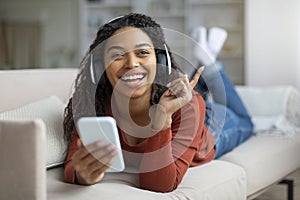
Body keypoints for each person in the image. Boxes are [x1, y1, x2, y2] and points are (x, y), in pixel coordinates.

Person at [63, 13, 252, 193]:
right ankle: (204, 62)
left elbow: (159, 185)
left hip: (208, 126)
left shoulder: (189, 107)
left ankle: (210, 65)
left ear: (161, 60)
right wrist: (83, 174)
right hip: (186, 107)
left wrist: (162, 117)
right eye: (117, 55)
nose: (131, 63)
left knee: (246, 122)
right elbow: (73, 165)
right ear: (99, 67)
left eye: (143, 52)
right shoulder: (90, 104)